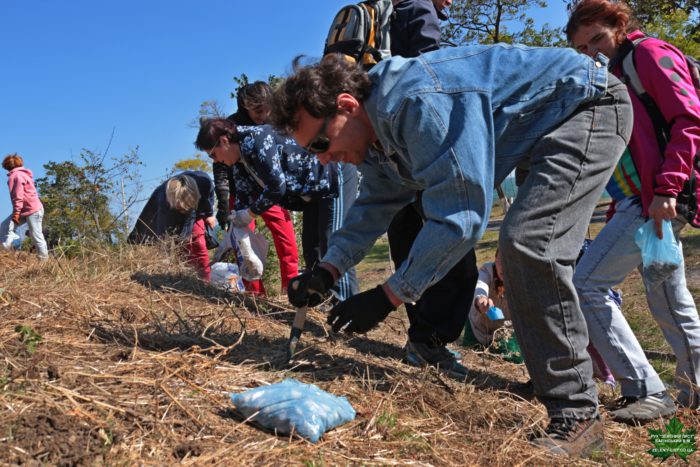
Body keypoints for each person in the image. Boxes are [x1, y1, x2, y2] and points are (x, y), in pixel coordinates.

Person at [273, 44, 632, 456]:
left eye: (320, 143)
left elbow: (460, 217)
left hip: (588, 102)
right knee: (521, 248)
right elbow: (375, 203)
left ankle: (578, 416)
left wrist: (388, 295)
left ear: (347, 105)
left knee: (529, 244)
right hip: (546, 122)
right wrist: (329, 270)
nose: (323, 160)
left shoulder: (417, 102)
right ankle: (550, 377)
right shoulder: (372, 133)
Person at [567, 0, 700, 424]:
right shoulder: (621, 70)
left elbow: (689, 119)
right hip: (645, 202)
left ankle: (645, 388)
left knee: (588, 284)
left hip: (660, 202)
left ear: (618, 24)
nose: (594, 54)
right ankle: (693, 392)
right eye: (584, 49)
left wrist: (667, 188)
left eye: (597, 40)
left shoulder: (648, 54)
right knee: (668, 297)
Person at [385, 0, 479, 377]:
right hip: (422, 151)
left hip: (387, 153)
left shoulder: (383, 13)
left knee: (407, 244)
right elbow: (432, 71)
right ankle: (430, 341)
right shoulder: (418, 9)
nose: (451, 2)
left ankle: (421, 337)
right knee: (454, 255)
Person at [196, 119, 347, 297]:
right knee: (311, 251)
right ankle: (320, 302)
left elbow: (277, 186)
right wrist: (237, 227)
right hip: (309, 198)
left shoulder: (257, 139)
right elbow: (243, 197)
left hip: (328, 183)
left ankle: (342, 303)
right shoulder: (239, 161)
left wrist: (250, 213)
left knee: (330, 247)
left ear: (224, 141)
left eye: (213, 154)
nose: (217, 161)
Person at [215, 81, 299, 294]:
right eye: (258, 110)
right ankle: (255, 295)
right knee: (244, 247)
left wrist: (287, 192)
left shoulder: (276, 122)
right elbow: (221, 168)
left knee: (287, 241)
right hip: (240, 194)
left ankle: (291, 291)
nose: (264, 114)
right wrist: (224, 203)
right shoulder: (230, 128)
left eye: (268, 108)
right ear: (245, 106)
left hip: (270, 191)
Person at [128, 171, 216, 281]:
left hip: (196, 206)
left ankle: (205, 281)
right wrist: (165, 262)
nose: (184, 212)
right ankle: (185, 278)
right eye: (182, 209)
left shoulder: (205, 182)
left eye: (186, 209)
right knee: (181, 245)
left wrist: (209, 214)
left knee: (198, 242)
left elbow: (210, 196)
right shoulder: (164, 204)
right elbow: (163, 239)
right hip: (171, 208)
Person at [0, 153, 48, 260]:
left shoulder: (15, 176)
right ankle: (11, 242)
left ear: (7, 166)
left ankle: (44, 259)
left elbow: (17, 196)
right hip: (26, 209)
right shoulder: (23, 174)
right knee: (5, 226)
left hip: (32, 210)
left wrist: (16, 213)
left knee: (36, 235)